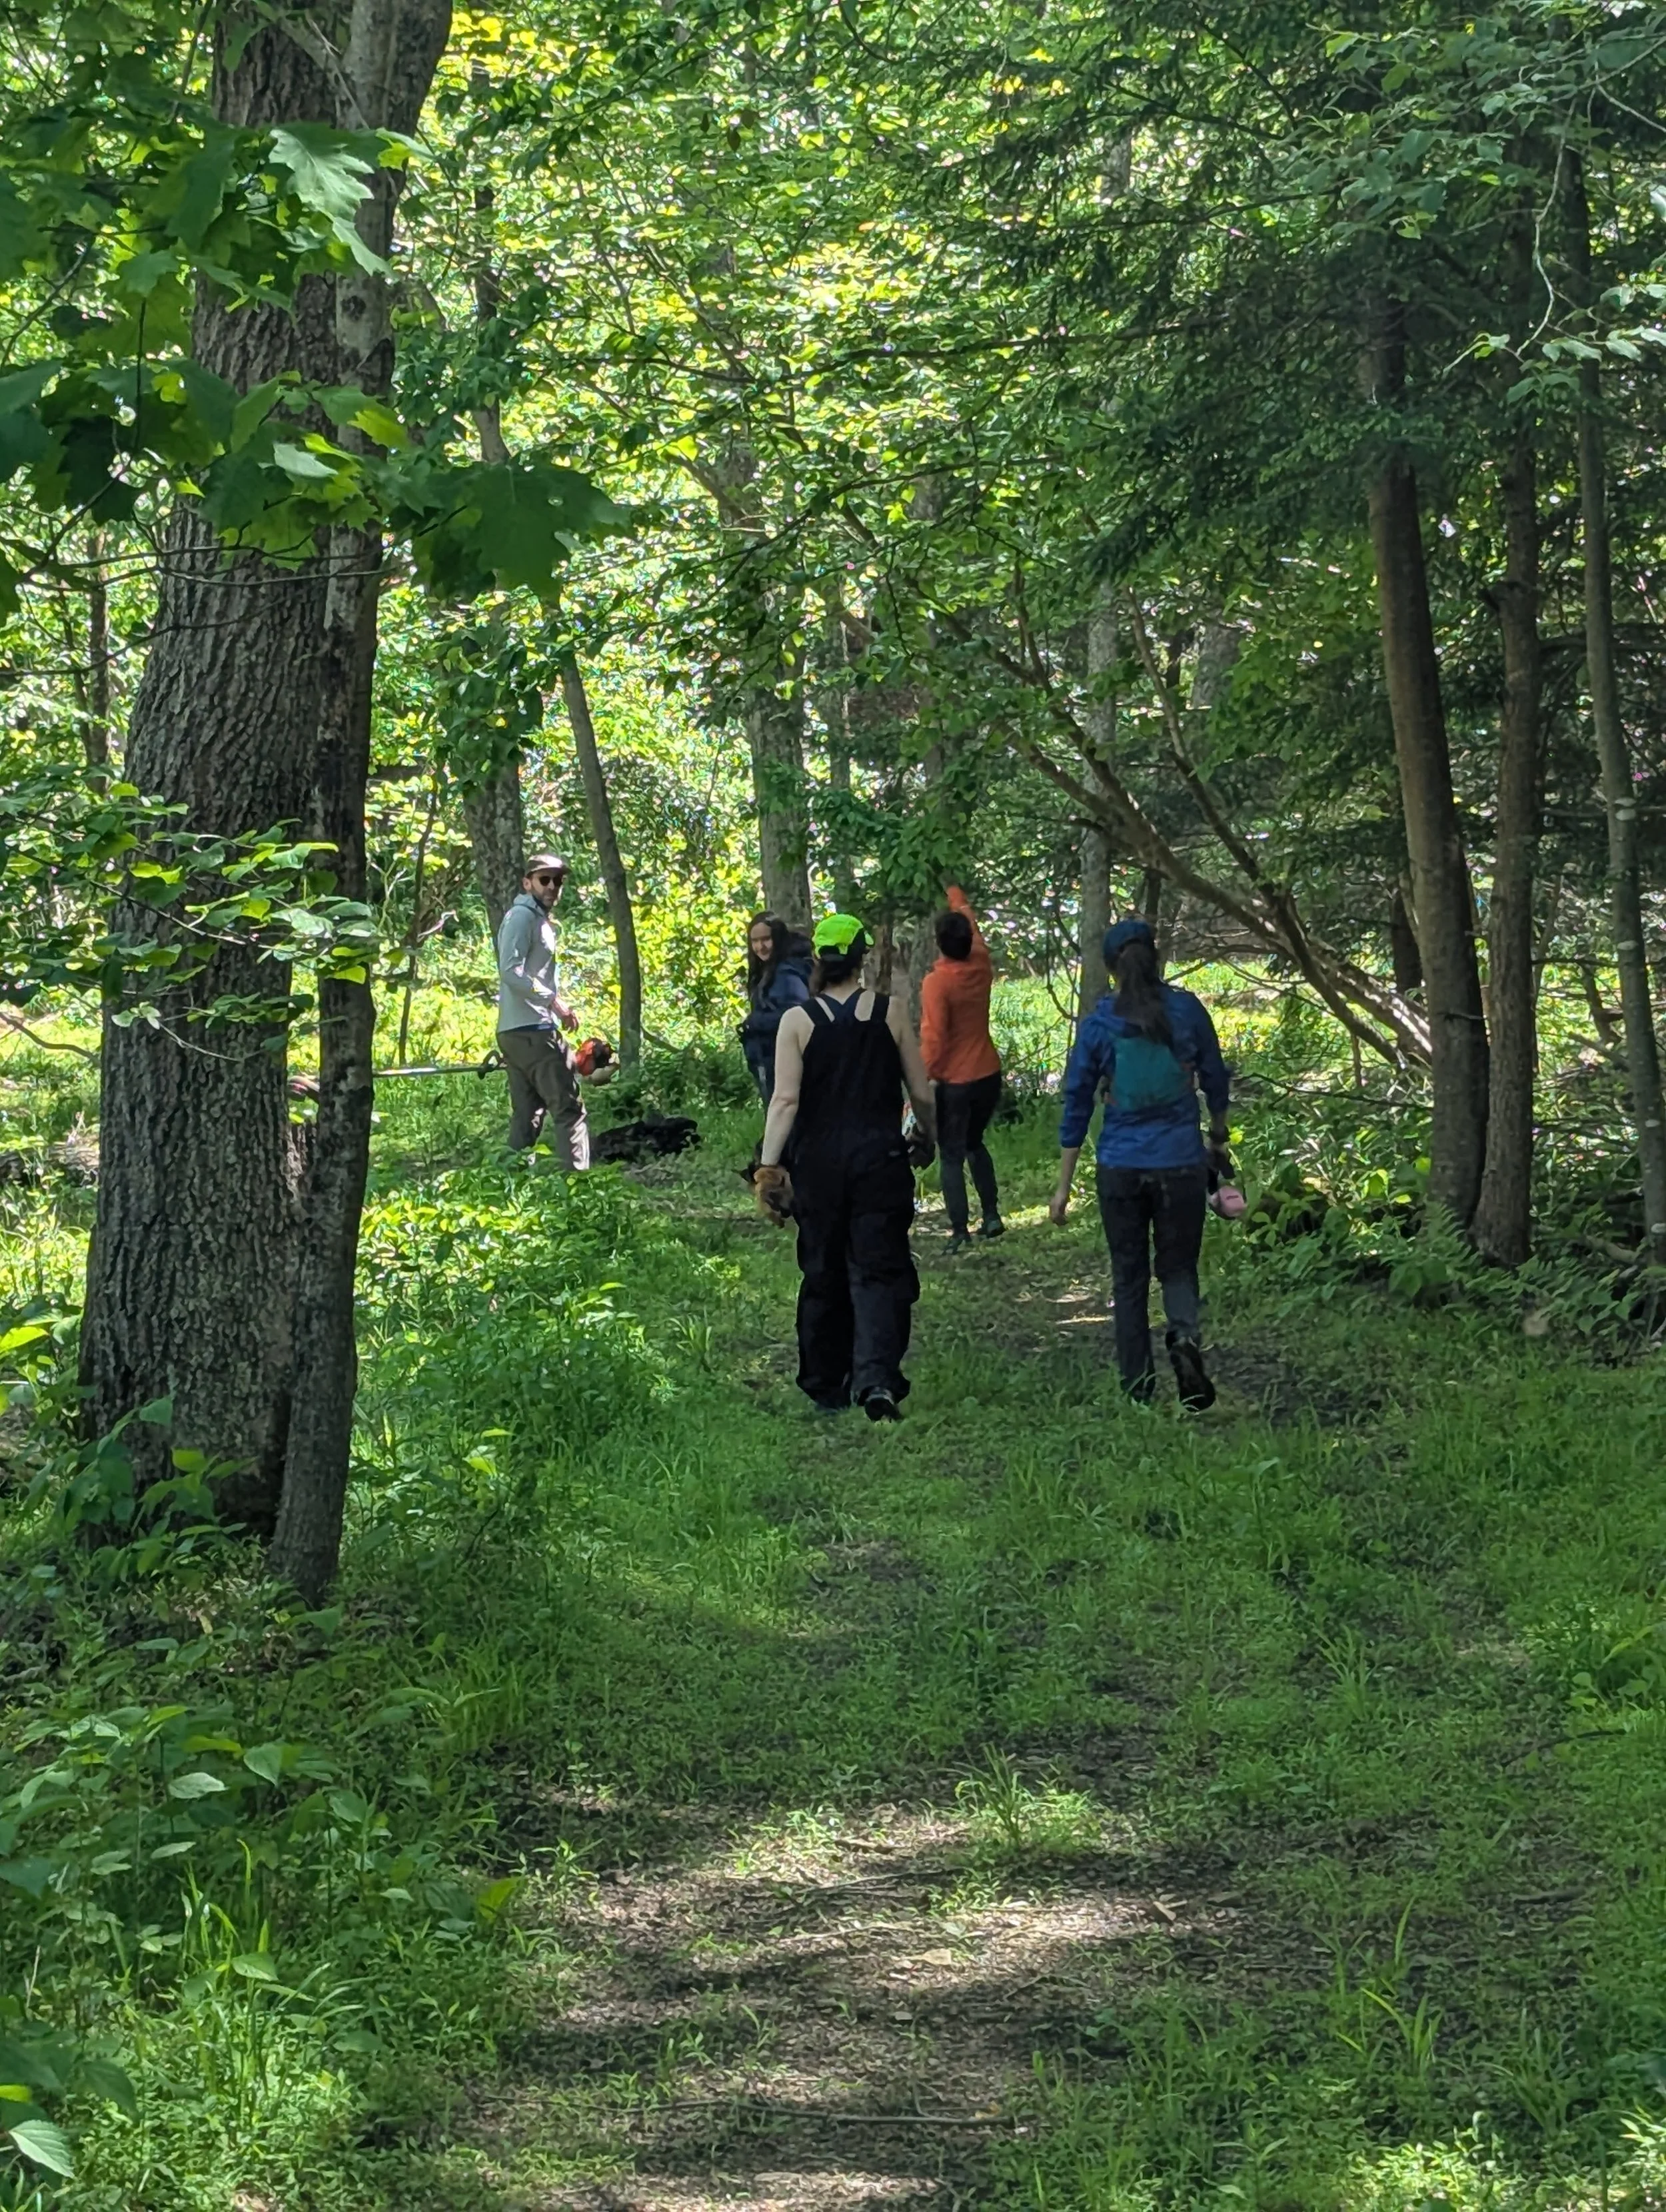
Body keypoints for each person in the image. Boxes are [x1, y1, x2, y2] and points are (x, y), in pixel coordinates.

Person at [754, 913, 936, 1422]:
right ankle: (877, 1379)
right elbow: (920, 1091)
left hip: (819, 1167)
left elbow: (785, 1101)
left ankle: (824, 1383)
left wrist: (768, 1168)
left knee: (822, 1270)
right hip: (880, 1161)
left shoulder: (797, 1021)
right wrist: (928, 1134)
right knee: (880, 1270)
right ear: (864, 958)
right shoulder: (891, 1012)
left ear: (817, 960)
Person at [1049, 917, 1230, 1408]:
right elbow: (1215, 1077)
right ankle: (1184, 1339)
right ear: (1156, 957)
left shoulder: (1100, 1024)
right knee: (1178, 1266)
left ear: (1112, 969)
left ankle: (1137, 1387)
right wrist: (1217, 1137)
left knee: (1128, 1276)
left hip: (1120, 1167)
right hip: (1182, 1164)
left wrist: (1063, 1186)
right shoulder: (1189, 1011)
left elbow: (1077, 1103)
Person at [918, 883, 1004, 1251]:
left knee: (951, 1154)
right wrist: (954, 891)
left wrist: (924, 1076)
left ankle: (959, 1231)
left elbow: (934, 1037)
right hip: (988, 1073)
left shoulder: (938, 983)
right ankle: (992, 1215)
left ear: (938, 944)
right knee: (975, 1144)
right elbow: (969, 921)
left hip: (956, 1081)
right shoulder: (981, 962)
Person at [495, 853, 591, 1169]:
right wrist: (553, 1001)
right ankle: (578, 1184)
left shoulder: (536, 919)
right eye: (545, 879)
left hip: (517, 1031)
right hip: (532, 1030)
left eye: (558, 880)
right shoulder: (522, 917)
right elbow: (511, 971)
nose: (553, 886)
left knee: (528, 1113)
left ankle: (507, 1182)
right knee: (569, 1110)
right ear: (527, 883)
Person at [739, 913, 813, 1103]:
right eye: (754, 941)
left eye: (766, 939)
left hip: (783, 1060)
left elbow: (797, 1015)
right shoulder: (767, 969)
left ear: (778, 938)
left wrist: (754, 1023)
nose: (760, 947)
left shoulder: (787, 972)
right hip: (771, 1057)